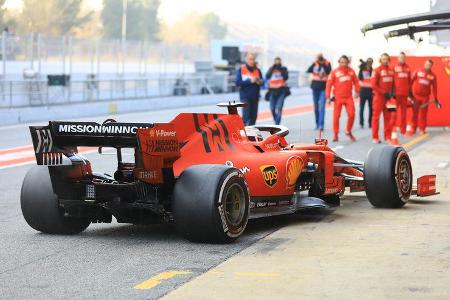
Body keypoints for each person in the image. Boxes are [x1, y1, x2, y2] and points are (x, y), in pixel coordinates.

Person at [325, 55, 360, 142]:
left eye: (345, 62)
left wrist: (357, 91)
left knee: (352, 114)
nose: (343, 64)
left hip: (348, 97)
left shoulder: (351, 71)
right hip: (338, 98)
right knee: (336, 116)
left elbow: (356, 82)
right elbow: (329, 84)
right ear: (339, 62)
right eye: (342, 62)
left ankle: (348, 130)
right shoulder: (334, 72)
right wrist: (328, 97)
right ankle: (335, 135)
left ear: (348, 62)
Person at [406, 59, 441, 136]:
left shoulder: (432, 76)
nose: (427, 66)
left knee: (423, 114)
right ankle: (413, 128)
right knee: (414, 114)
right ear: (424, 64)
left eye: (429, 65)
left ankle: (422, 129)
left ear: (431, 66)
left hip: (425, 98)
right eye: (426, 64)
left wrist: (435, 98)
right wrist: (409, 93)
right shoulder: (418, 71)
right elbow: (410, 81)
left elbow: (434, 88)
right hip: (415, 96)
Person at [371, 53, 395, 144]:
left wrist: (392, 93)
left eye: (386, 59)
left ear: (388, 59)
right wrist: (383, 92)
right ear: (380, 60)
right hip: (379, 98)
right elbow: (373, 85)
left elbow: (393, 83)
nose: (385, 60)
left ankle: (388, 136)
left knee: (388, 117)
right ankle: (375, 137)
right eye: (383, 59)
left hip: (388, 98)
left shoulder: (392, 70)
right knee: (376, 118)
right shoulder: (376, 70)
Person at [390, 51, 412, 144]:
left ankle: (403, 130)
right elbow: (391, 80)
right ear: (398, 58)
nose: (402, 59)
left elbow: (409, 81)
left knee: (403, 113)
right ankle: (392, 130)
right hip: (395, 95)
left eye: (403, 57)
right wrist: (391, 92)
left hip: (404, 94)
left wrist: (410, 94)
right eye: (400, 57)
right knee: (393, 114)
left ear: (405, 58)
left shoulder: (408, 68)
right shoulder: (394, 67)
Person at [236, 53, 263, 125]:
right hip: (245, 97)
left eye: (253, 59)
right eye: (250, 59)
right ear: (246, 60)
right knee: (246, 116)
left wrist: (259, 81)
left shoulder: (258, 70)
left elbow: (262, 82)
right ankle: (243, 134)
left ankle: (250, 135)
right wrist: (250, 81)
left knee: (253, 117)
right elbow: (237, 83)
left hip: (255, 97)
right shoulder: (241, 69)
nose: (252, 61)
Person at [307, 53, 331, 131]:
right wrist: (315, 62)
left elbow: (328, 71)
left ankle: (321, 125)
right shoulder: (314, 64)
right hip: (315, 88)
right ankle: (317, 123)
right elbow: (308, 70)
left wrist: (323, 64)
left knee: (322, 107)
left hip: (323, 88)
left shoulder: (327, 63)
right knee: (316, 107)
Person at [266, 57, 289, 125]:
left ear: (281, 62)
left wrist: (281, 69)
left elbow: (286, 77)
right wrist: (273, 68)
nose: (277, 64)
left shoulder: (283, 69)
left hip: (281, 91)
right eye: (276, 62)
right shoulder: (271, 69)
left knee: (279, 108)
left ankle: (277, 123)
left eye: (279, 62)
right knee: (272, 108)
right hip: (272, 91)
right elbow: (267, 76)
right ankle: (276, 119)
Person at [358, 57, 374, 128]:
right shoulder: (362, 70)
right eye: (368, 62)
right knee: (362, 108)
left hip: (370, 91)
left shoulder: (373, 71)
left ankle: (370, 122)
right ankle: (361, 122)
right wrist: (362, 68)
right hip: (363, 91)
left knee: (371, 108)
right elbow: (359, 78)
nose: (369, 63)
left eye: (371, 62)